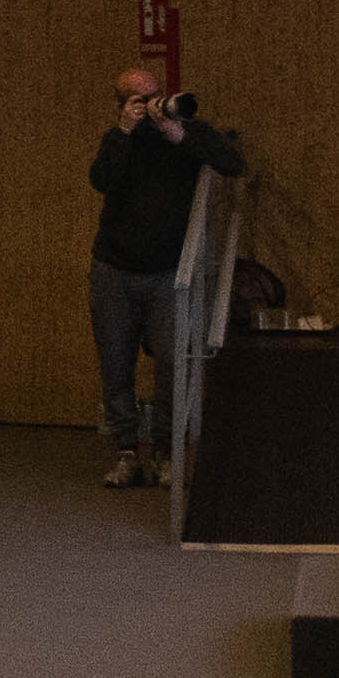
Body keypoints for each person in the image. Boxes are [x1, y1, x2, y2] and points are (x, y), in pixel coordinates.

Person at [84, 69, 245, 488]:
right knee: (115, 363)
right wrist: (125, 131)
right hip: (114, 269)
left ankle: (167, 452)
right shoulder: (118, 138)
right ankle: (125, 452)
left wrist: (181, 137)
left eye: (156, 94)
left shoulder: (188, 131)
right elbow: (103, 180)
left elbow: (232, 164)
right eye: (140, 99)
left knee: (173, 365)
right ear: (123, 104)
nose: (154, 103)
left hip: (170, 273)